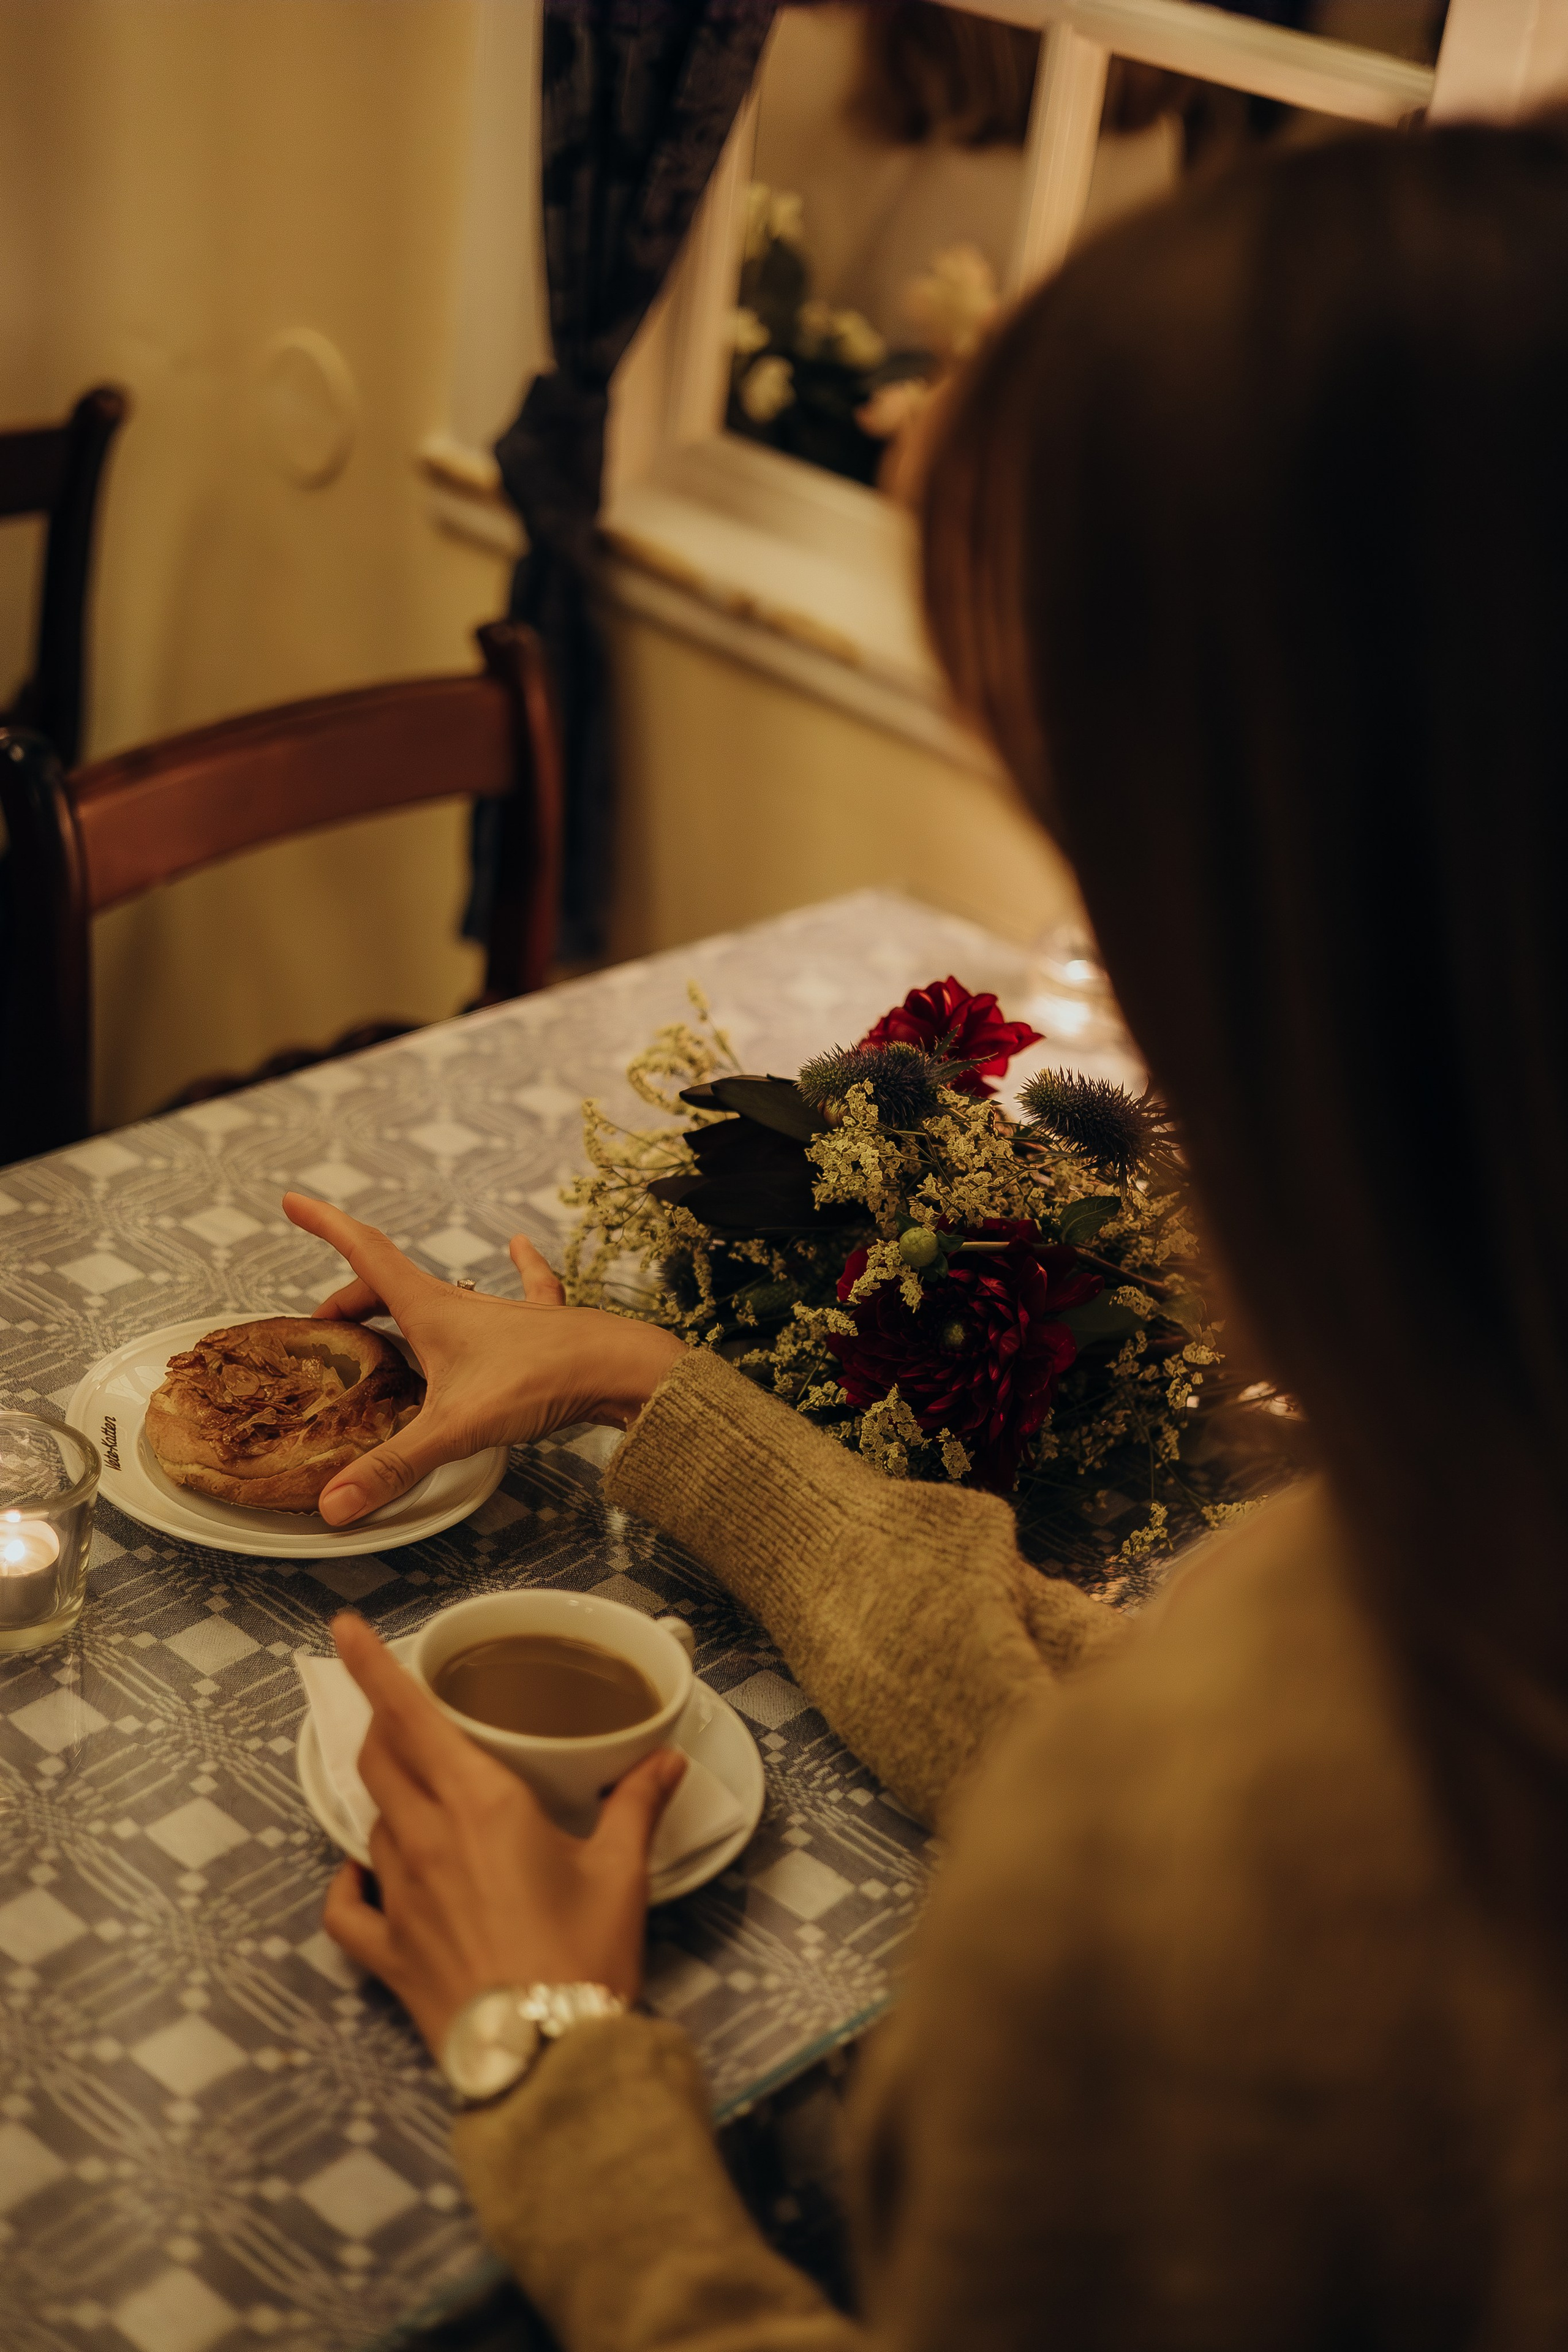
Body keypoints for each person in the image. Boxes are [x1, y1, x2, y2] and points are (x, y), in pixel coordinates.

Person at [288, 110, 1568, 2348]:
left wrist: (545, 2054)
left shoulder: (1240, 1863)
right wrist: (643, 1380)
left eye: (1108, 824)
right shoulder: (1435, 1571)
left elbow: (1197, 1811)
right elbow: (1109, 1699)